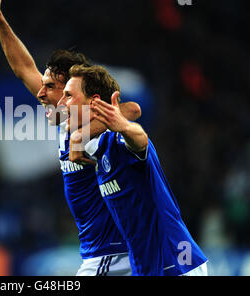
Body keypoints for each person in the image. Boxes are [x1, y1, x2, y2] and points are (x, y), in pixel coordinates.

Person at [0, 0, 143, 275]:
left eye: (50, 87)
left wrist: (83, 134)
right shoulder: (62, 114)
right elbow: (23, 67)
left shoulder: (89, 117)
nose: (40, 94)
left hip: (112, 256)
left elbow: (132, 111)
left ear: (72, 91)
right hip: (101, 253)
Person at [58, 64, 208, 275]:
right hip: (145, 266)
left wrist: (125, 126)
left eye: (69, 96)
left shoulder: (118, 140)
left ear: (93, 103)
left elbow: (140, 140)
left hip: (178, 263)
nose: (62, 103)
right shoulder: (95, 151)